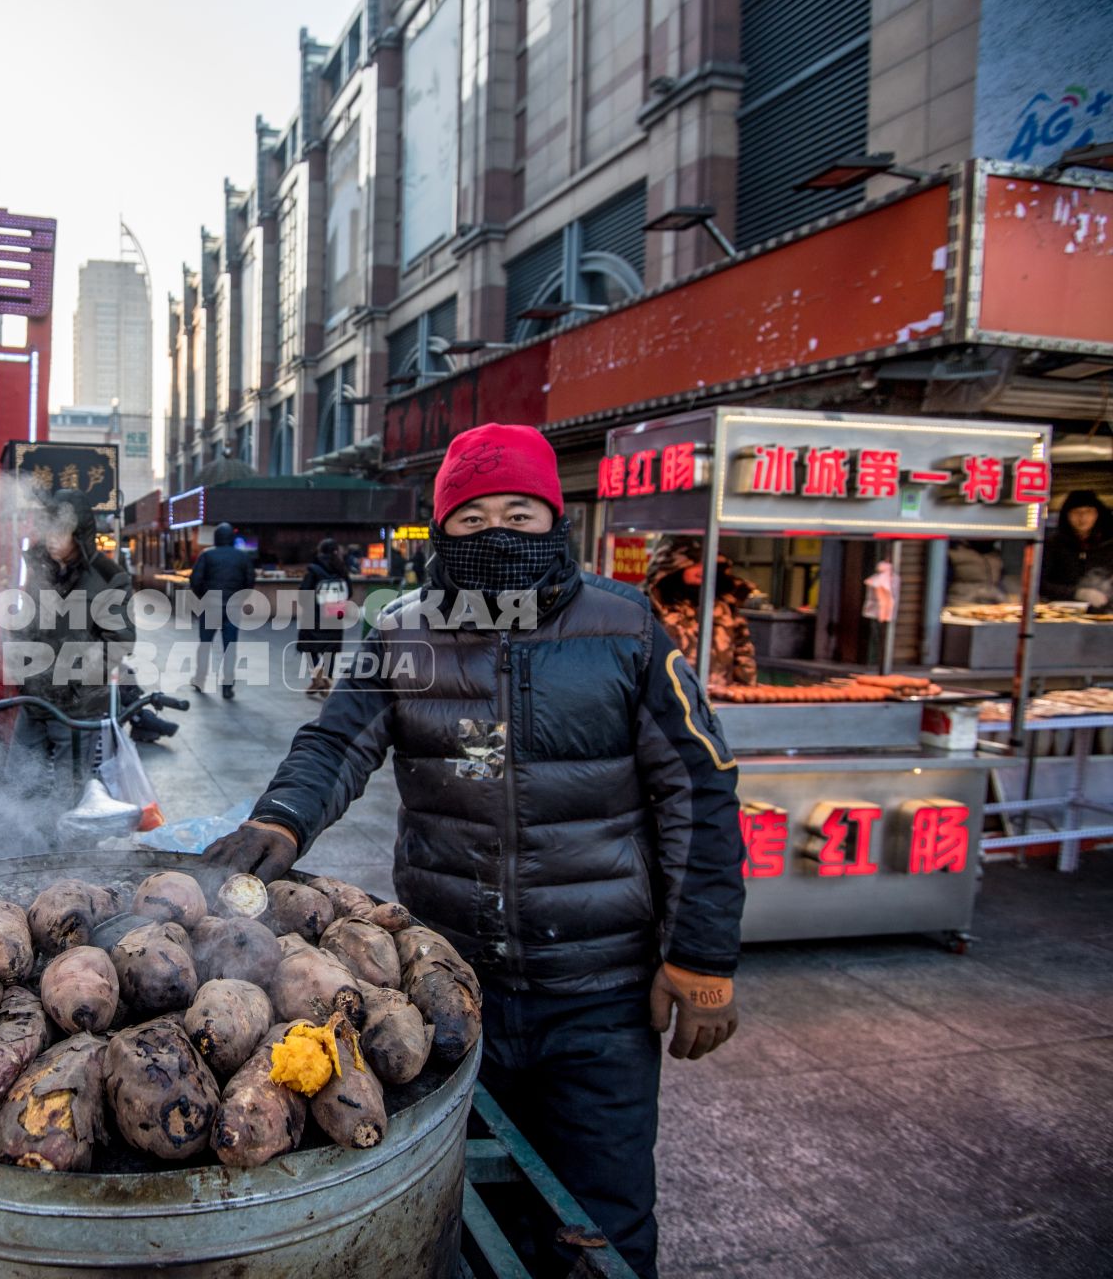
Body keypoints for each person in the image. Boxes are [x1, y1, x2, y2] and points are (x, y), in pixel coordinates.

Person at [205, 423, 744, 1279]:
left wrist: (702, 956)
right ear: (442, 528)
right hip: (453, 985)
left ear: (555, 521)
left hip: (599, 995)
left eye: (522, 513)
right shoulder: (404, 634)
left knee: (602, 1218)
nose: (498, 532)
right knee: (466, 1209)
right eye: (473, 515)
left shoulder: (627, 629)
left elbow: (700, 791)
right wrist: (282, 819)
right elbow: (337, 744)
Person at [2, 489, 135, 810]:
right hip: (33, 697)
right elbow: (24, 624)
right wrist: (20, 662)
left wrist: (75, 679)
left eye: (60, 531)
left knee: (68, 792)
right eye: (47, 529)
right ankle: (19, 847)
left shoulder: (109, 577)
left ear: (80, 534)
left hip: (77, 707)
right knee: (16, 784)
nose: (51, 539)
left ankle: (61, 855)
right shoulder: (39, 568)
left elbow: (119, 640)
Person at [642, 535, 759, 688]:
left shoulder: (724, 606)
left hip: (718, 702)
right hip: (668, 701)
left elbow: (743, 653)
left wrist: (744, 693)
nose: (702, 570)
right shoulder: (649, 605)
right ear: (674, 565)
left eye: (709, 563)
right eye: (695, 563)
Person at [188, 522, 255, 700]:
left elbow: (195, 580)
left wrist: (204, 596)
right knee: (230, 647)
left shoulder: (206, 555)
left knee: (205, 644)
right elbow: (249, 582)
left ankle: (200, 679)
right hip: (232, 608)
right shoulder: (242, 557)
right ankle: (227, 686)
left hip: (210, 606)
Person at [296, 538, 351, 697]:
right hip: (335, 615)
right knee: (330, 651)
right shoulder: (341, 569)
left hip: (314, 616)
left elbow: (304, 594)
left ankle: (317, 678)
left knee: (309, 648)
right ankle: (325, 679)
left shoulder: (313, 570)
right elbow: (350, 592)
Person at [1042, 490, 1112, 603]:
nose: (1083, 517)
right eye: (1076, 512)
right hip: (1060, 611)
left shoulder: (1109, 546)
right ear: (1067, 515)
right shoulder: (1053, 545)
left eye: (1089, 511)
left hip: (1105, 612)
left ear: (1098, 514)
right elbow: (1039, 584)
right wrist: (1076, 593)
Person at [945, 540, 1008, 607]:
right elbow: (941, 586)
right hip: (960, 605)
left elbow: (1000, 583)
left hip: (992, 607)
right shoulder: (953, 552)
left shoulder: (994, 554)